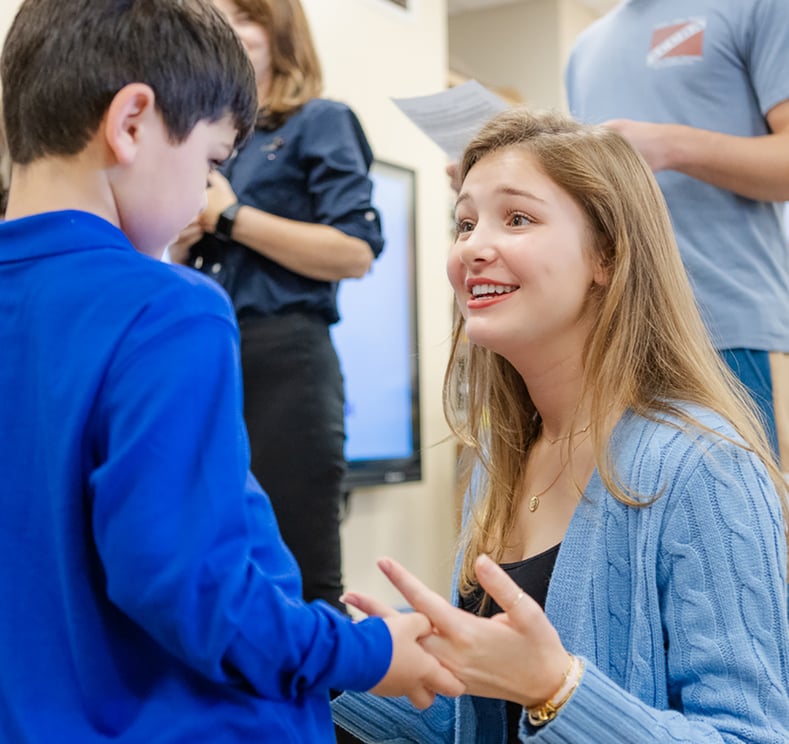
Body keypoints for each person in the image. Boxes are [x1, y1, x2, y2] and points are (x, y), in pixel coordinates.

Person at [0, 1, 464, 741]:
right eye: (213, 163)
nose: (201, 196)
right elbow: (192, 588)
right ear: (130, 123)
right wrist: (368, 651)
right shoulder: (170, 309)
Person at [332, 108, 789, 742]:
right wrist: (335, 660)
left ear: (607, 254)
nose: (472, 248)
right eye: (463, 223)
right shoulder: (502, 455)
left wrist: (558, 690)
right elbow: (485, 722)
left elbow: (754, 735)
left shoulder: (705, 467)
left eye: (516, 218)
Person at [169, 0, 383, 612]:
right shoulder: (204, 136)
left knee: (299, 577)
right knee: (208, 567)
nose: (228, 28)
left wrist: (230, 216)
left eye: (245, 15)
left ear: (280, 31)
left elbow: (353, 251)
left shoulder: (319, 120)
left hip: (285, 357)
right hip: (207, 353)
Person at [564, 0, 789, 466]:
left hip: (725, 331)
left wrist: (669, 146)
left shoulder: (756, 7)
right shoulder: (584, 50)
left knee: (740, 523)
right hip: (617, 336)